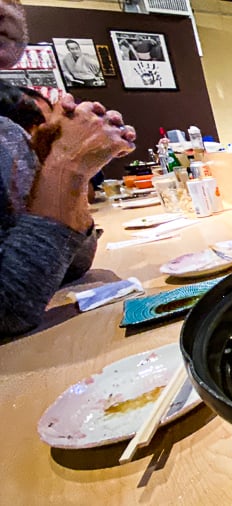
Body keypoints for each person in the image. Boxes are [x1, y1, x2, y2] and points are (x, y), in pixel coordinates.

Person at [0, 1, 137, 337]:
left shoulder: (10, 128)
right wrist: (67, 167)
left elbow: (70, 265)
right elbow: (9, 309)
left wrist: (60, 167)